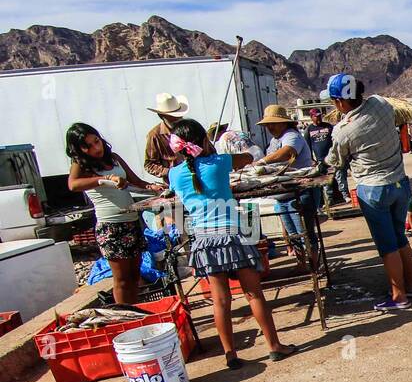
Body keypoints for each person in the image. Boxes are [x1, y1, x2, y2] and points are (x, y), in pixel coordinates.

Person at [166, 118, 296, 368]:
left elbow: (185, 182)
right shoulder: (220, 162)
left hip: (204, 239)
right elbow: (248, 157)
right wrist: (215, 149)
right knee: (253, 294)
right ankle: (274, 346)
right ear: (203, 140)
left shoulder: (174, 173)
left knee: (221, 301)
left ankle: (231, 355)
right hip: (235, 233)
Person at [323, 74, 412, 312]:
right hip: (400, 184)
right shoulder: (381, 104)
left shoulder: (343, 131)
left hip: (374, 189)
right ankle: (410, 285)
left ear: (340, 103)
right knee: (400, 238)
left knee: (387, 246)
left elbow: (335, 160)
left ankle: (399, 297)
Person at [65, 123, 165, 303]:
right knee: (122, 279)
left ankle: (135, 311)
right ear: (79, 149)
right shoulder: (80, 165)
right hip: (111, 227)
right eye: (89, 146)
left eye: (97, 141)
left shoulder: (114, 158)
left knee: (135, 275)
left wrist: (152, 187)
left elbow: (136, 181)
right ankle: (125, 314)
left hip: (132, 222)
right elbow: (73, 184)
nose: (97, 148)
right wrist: (104, 179)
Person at [250, 104, 319, 244]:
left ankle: (312, 263)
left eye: (273, 124)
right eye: (267, 125)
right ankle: (302, 263)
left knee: (304, 233)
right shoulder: (275, 140)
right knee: (293, 234)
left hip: (299, 193)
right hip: (283, 195)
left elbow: (288, 152)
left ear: (283, 123)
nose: (269, 128)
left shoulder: (291, 135)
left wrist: (262, 161)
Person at [304, 108, 349, 206]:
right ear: (311, 117)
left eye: (320, 116)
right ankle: (329, 200)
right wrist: (311, 159)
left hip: (333, 157)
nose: (319, 118)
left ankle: (345, 195)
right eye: (316, 116)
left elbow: (336, 140)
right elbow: (308, 146)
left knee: (339, 176)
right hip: (321, 160)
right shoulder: (309, 130)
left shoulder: (328, 127)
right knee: (325, 180)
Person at [143, 92, 191, 181]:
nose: (178, 118)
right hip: (176, 182)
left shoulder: (192, 128)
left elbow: (209, 151)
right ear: (161, 116)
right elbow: (149, 164)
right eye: (172, 116)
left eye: (179, 115)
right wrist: (170, 172)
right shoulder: (154, 135)